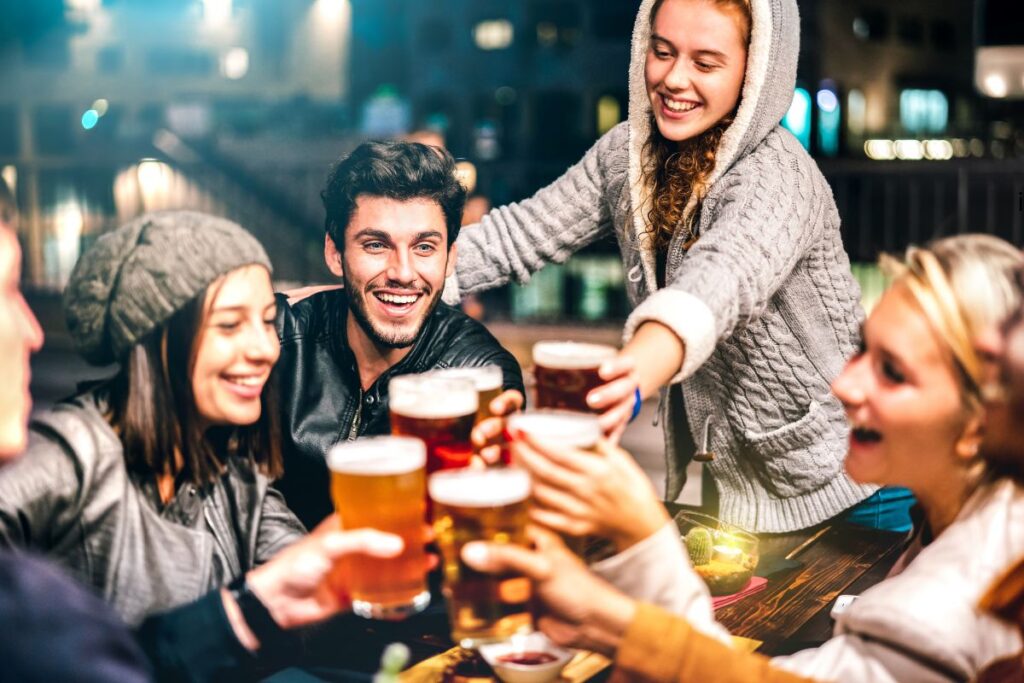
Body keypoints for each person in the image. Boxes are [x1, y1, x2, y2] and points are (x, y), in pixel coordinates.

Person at [465, 235, 1024, 682]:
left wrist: (641, 539)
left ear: (981, 423)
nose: (843, 385)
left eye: (893, 372)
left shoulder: (950, 604)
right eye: (862, 351)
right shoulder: (979, 522)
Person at [446, 0, 887, 533]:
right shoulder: (627, 154)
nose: (674, 79)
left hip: (858, 488)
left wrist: (631, 377)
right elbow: (521, 234)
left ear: (757, 69)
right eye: (662, 51)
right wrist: (395, 279)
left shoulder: (777, 172)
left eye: (705, 63)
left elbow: (719, 281)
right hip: (738, 492)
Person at [0, 205, 409, 681]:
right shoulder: (72, 454)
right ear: (157, 338)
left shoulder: (234, 476)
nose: (263, 350)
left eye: (266, 321)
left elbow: (320, 605)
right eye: (230, 325)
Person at [274, 140, 523, 529]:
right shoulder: (278, 342)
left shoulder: (477, 373)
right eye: (376, 245)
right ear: (335, 253)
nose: (403, 272)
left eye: (424, 247)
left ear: (451, 257)